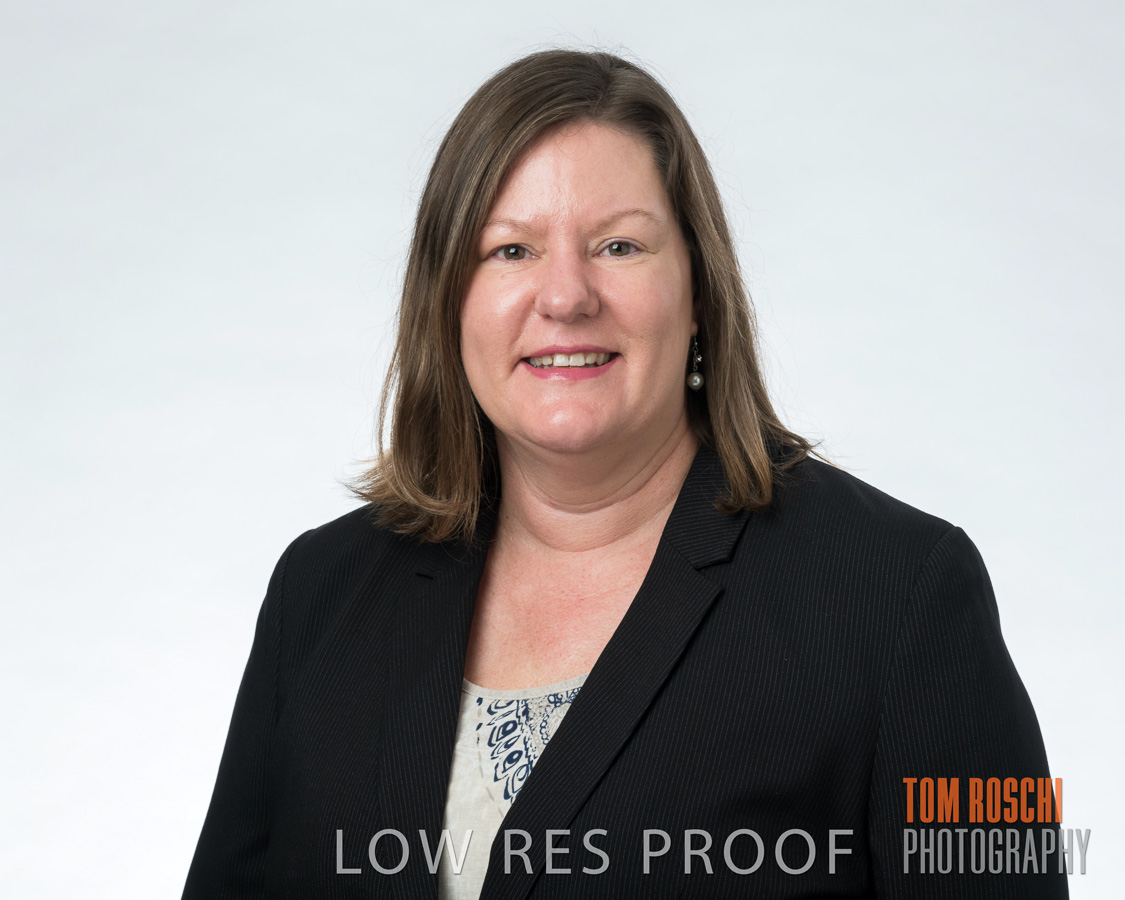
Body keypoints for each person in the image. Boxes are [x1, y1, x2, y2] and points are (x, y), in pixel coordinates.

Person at [182, 50, 1068, 899]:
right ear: (446, 300)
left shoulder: (903, 594)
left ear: (698, 292)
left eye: (618, 246)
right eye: (510, 251)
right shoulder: (321, 593)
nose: (565, 297)